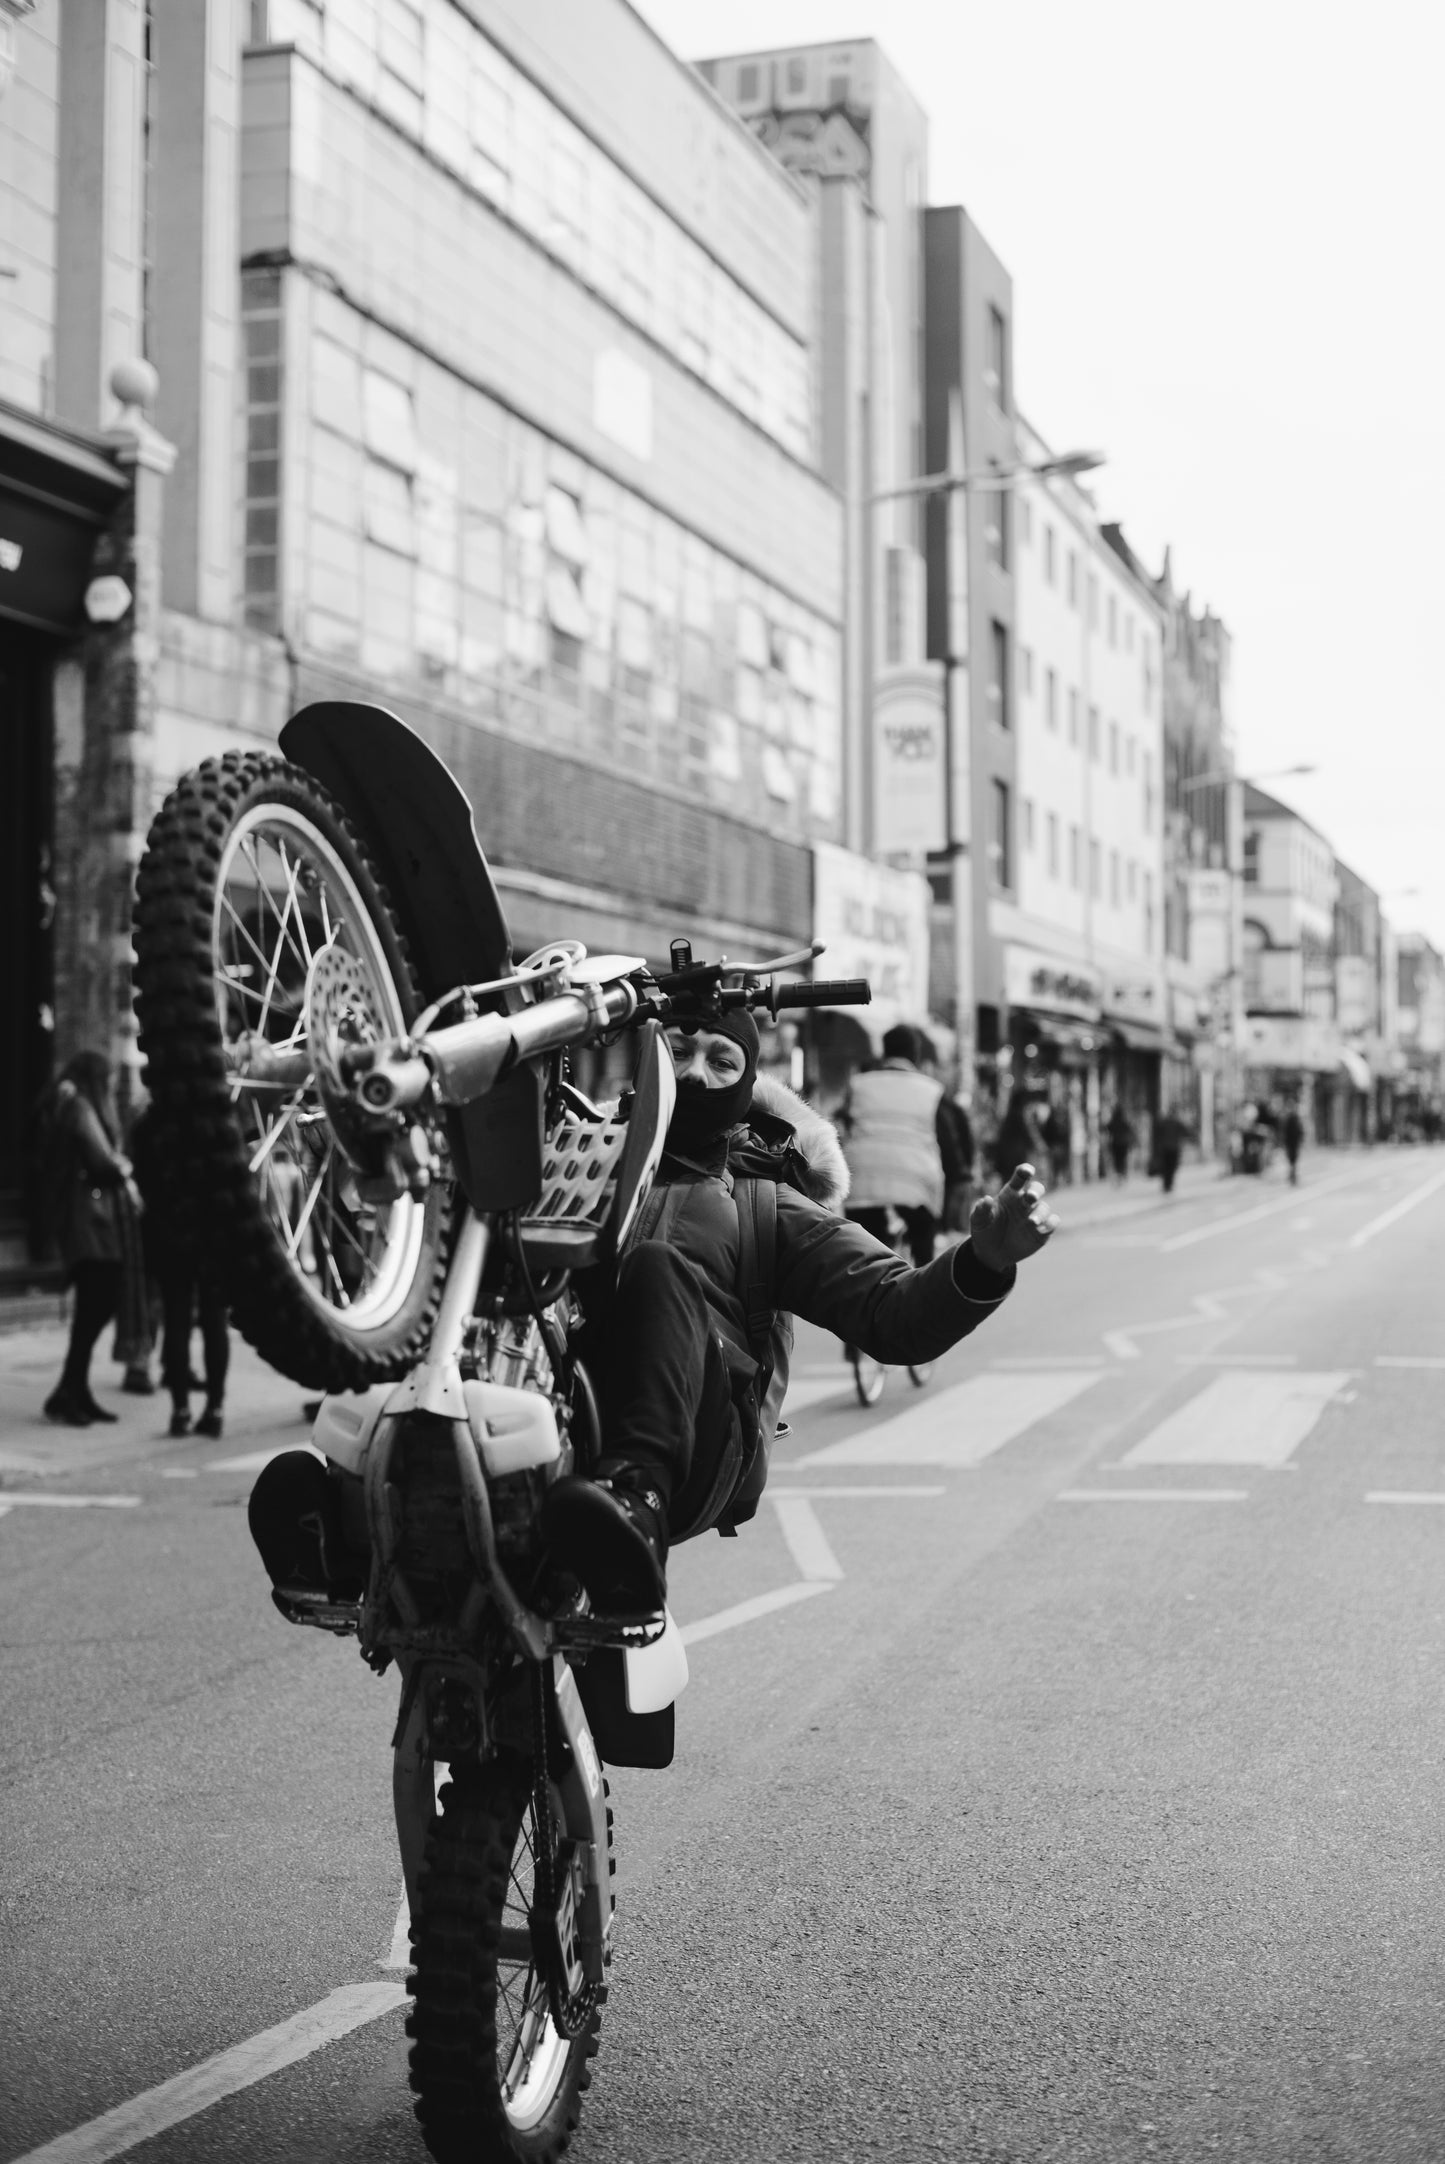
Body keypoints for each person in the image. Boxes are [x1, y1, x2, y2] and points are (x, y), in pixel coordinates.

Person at [540, 1007, 1057, 1613]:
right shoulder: (577, 1167)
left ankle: (635, 1506)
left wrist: (981, 1262)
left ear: (749, 1082)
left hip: (694, 1451)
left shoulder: (766, 1203)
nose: (697, 1075)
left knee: (656, 1268)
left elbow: (896, 1314)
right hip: (561, 1418)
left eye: (721, 1060)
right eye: (678, 1054)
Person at [38, 1051, 143, 1426]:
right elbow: (102, 1160)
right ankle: (70, 1392)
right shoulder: (81, 1106)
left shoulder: (70, 1102)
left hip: (86, 1220)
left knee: (91, 1310)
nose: (113, 1085)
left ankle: (73, 1390)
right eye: (109, 1078)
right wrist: (123, 1166)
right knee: (95, 1307)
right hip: (92, 1224)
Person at [131, 1104, 231, 1437]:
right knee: (214, 1320)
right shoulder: (213, 1118)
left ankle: (180, 1410)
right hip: (213, 1233)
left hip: (168, 1234)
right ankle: (215, 1409)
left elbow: (141, 1178)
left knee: (177, 1319)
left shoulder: (150, 1123)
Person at [835, 1023, 952, 1266]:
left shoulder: (858, 1084)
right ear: (915, 1054)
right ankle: (921, 1280)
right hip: (915, 1184)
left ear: (884, 1052)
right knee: (923, 1246)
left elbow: (840, 1128)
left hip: (863, 1182)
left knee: (866, 1253)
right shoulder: (931, 1091)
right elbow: (948, 1144)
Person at [993, 1085, 1046, 1185]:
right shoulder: (1020, 1117)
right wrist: (1040, 1146)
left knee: (1007, 1183)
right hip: (1016, 1157)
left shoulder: (1009, 1117)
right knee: (1017, 1184)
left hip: (1006, 1158)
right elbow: (1030, 1135)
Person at [1153, 1107, 1188, 1194]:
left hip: (1165, 1148)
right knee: (1172, 1167)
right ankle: (1169, 1184)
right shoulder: (1177, 1123)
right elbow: (1185, 1132)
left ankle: (1166, 1184)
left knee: (1166, 1167)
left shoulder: (1164, 1122)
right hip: (1173, 1148)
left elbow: (1157, 1134)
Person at [1104, 1099, 1135, 1184]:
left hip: (1115, 1143)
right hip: (1123, 1143)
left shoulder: (1114, 1121)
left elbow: (1107, 1128)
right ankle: (1122, 1173)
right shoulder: (1124, 1121)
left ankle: (1119, 1174)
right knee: (1122, 1159)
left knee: (1117, 1159)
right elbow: (1129, 1130)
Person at [1281, 1103, 1304, 1185]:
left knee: (1292, 1159)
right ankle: (1292, 1174)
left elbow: (1299, 1130)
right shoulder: (1292, 1119)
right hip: (1292, 1142)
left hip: (1292, 1142)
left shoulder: (1291, 1119)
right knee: (1292, 1159)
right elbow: (1299, 1131)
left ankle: (1292, 1174)